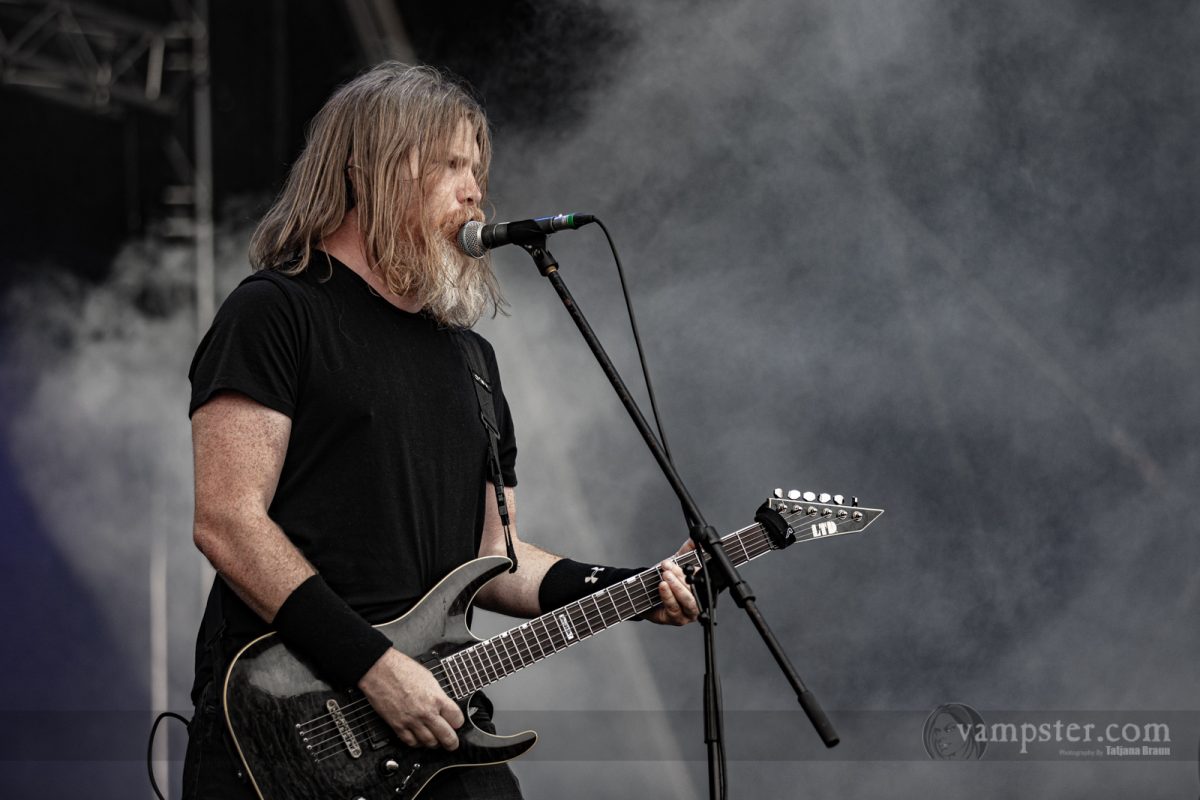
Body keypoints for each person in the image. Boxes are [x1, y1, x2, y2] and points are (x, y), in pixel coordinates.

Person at [180, 62, 700, 800]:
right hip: (286, 729)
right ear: (368, 172)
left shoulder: (472, 360)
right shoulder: (275, 312)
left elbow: (493, 558)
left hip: (437, 727)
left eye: (476, 167)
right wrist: (373, 666)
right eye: (451, 164)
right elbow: (227, 521)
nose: (474, 189)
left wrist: (631, 588)